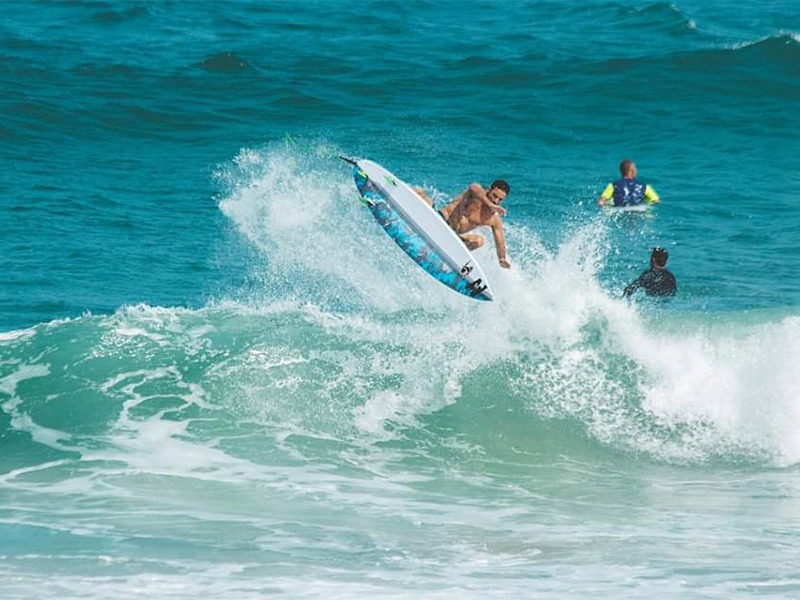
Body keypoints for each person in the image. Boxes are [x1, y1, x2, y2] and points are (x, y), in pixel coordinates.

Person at [415, 180, 512, 269]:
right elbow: (474, 187)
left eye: (500, 199)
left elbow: (500, 243)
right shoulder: (475, 194)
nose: (496, 201)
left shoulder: (493, 218)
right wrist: (490, 204)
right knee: (419, 192)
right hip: (439, 219)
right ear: (488, 190)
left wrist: (502, 259)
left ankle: (448, 256)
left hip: (452, 236)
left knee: (479, 241)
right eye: (495, 196)